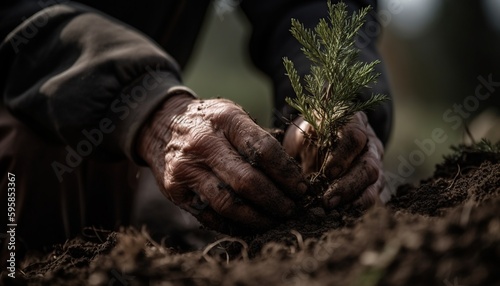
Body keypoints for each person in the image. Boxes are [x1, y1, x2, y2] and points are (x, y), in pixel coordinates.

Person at [0, 0, 391, 256]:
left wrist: (327, 98)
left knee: (181, 215)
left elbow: (308, 5)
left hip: (120, 147)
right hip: (31, 108)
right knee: (38, 155)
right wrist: (146, 107)